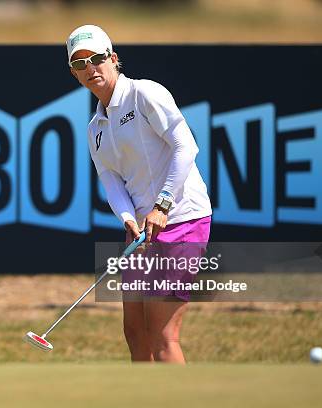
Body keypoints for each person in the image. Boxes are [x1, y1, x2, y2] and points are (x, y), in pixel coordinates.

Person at [66, 25, 212, 363]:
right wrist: (128, 219)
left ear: (113, 59)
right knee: (135, 331)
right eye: (79, 64)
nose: (90, 68)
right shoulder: (95, 129)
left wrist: (162, 204)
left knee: (162, 334)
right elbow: (111, 179)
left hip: (182, 219)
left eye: (97, 58)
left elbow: (186, 146)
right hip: (143, 232)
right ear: (74, 73)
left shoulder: (145, 94)